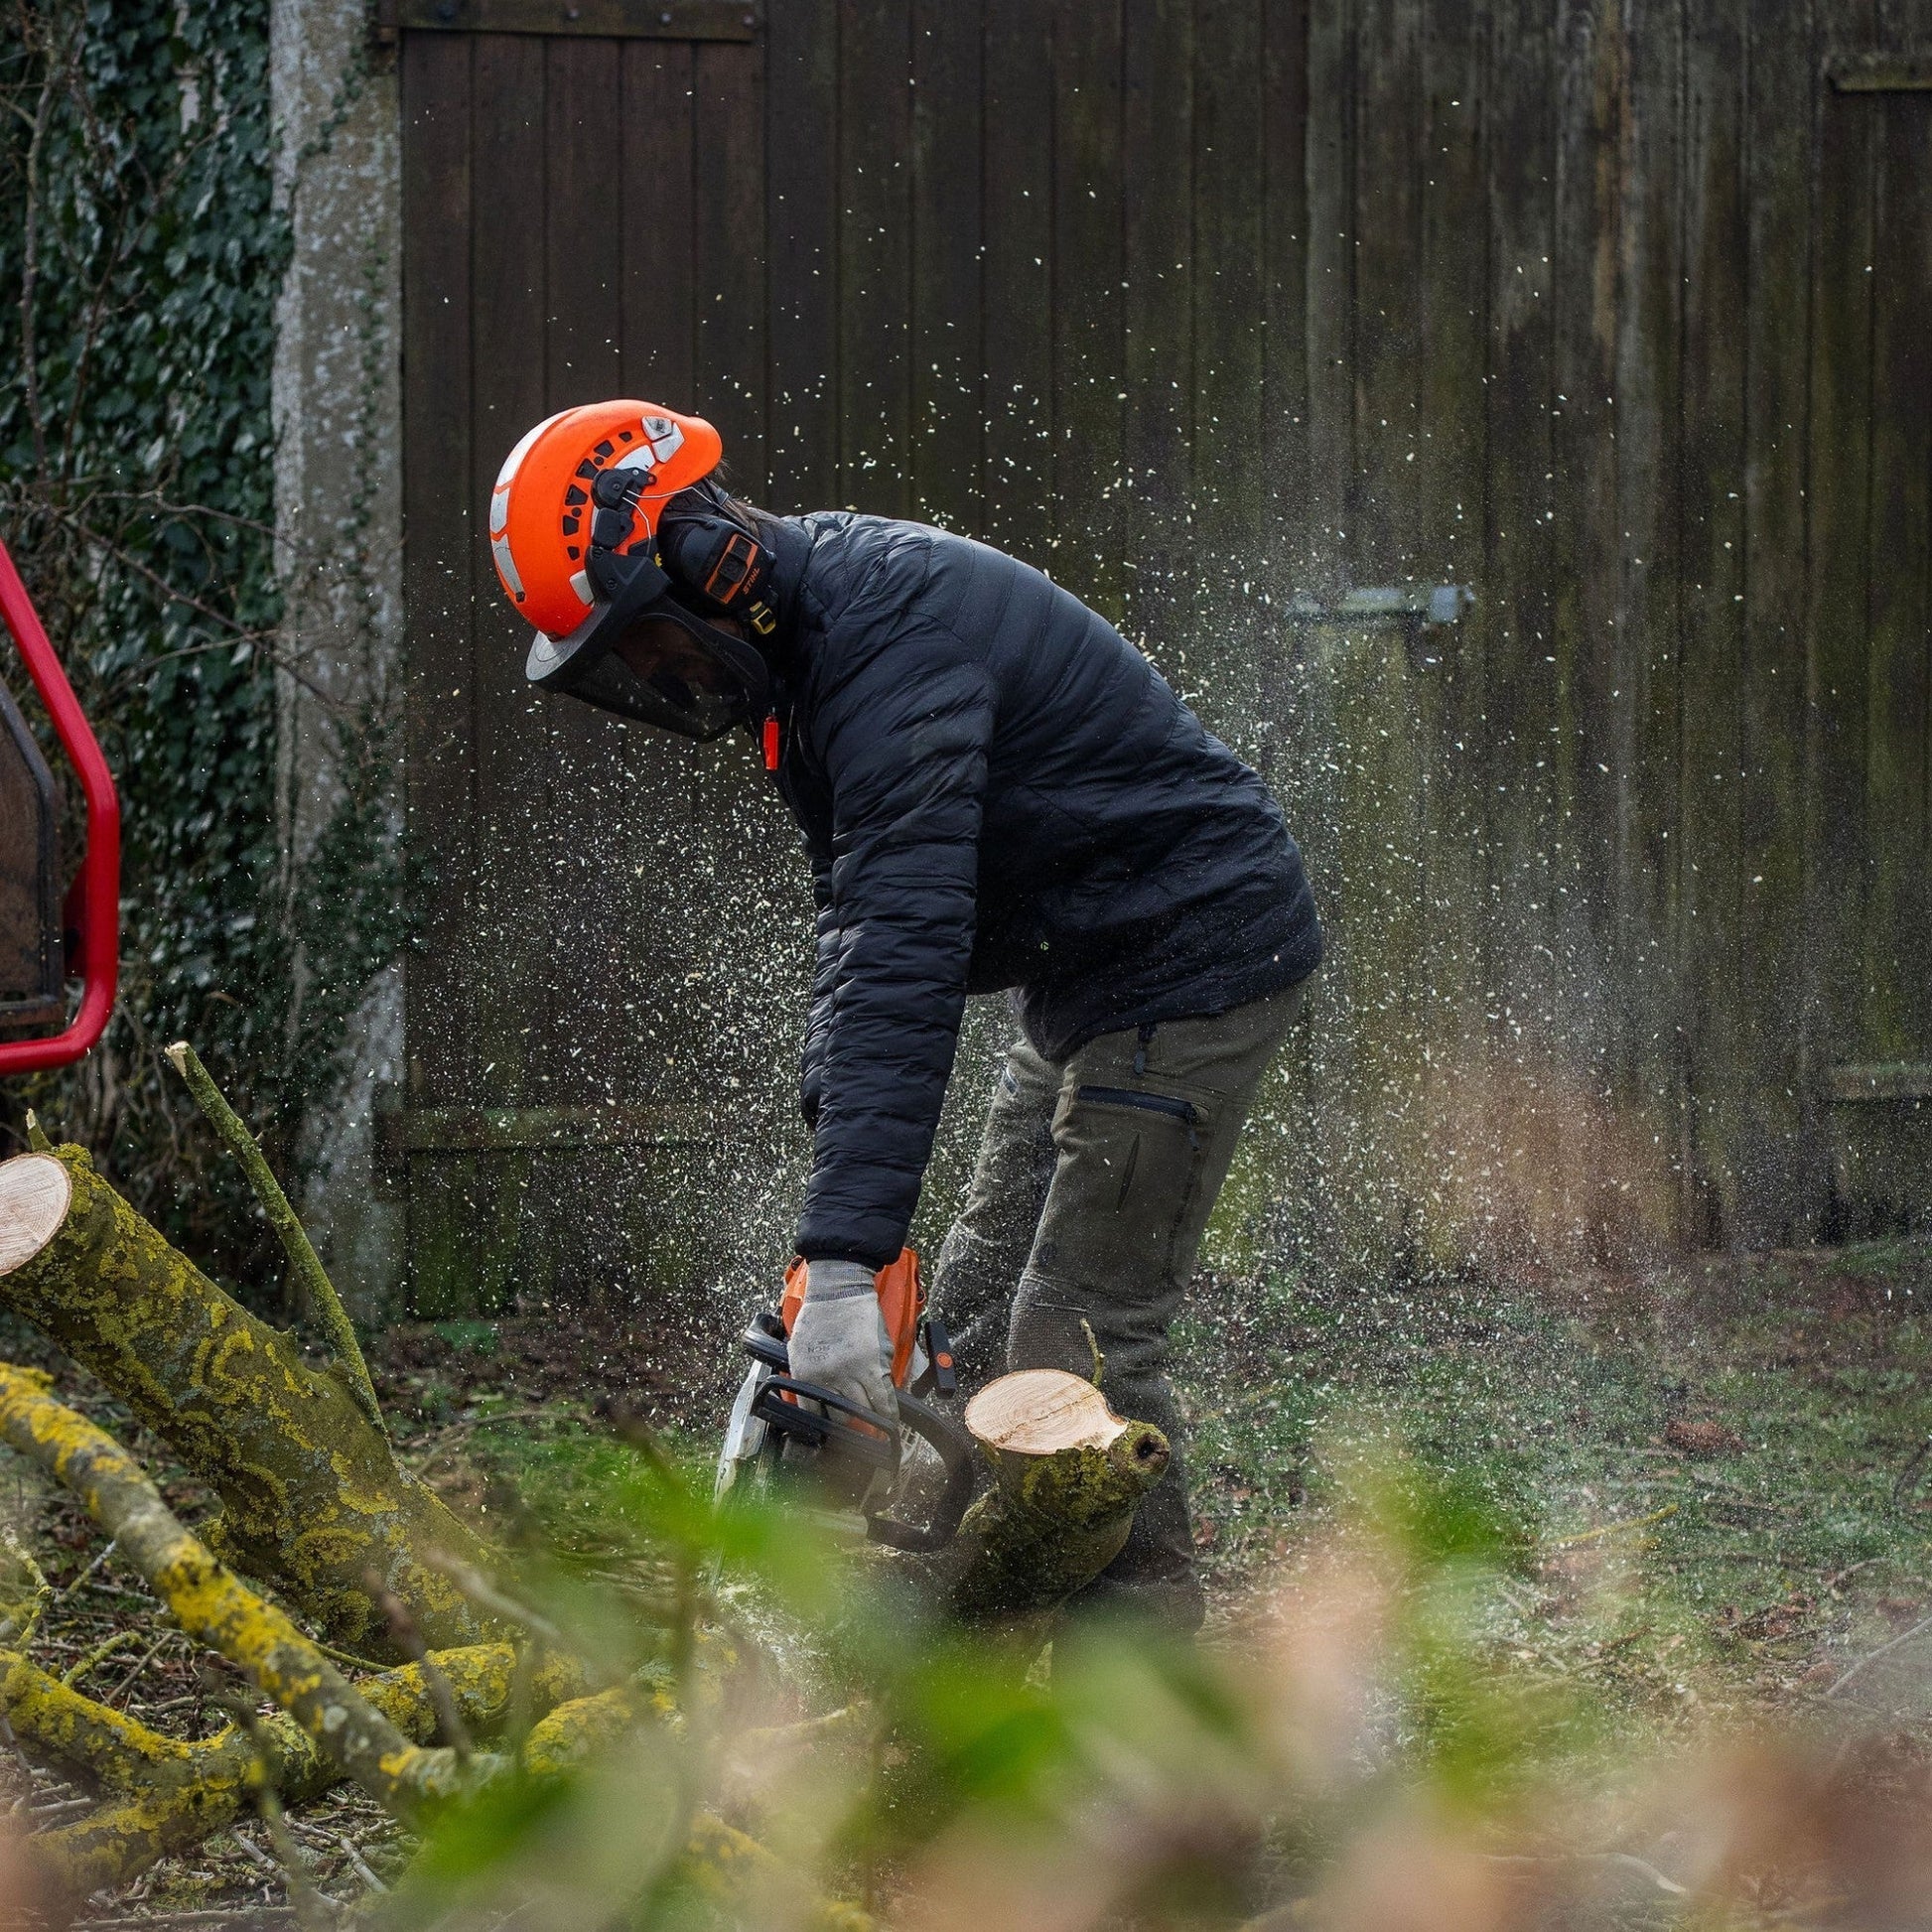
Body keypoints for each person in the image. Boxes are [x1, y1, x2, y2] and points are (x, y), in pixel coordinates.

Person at [487, 400, 1322, 1628]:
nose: (663, 681)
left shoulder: (891, 639)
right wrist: (843, 1252)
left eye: (656, 647)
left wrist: (837, 1264)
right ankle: (964, 1662)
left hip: (1193, 959)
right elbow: (858, 941)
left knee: (1076, 1349)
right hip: (1082, 979)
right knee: (976, 1321)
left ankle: (1149, 1731)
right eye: (634, 673)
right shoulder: (812, 670)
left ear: (707, 557)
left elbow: (906, 951)